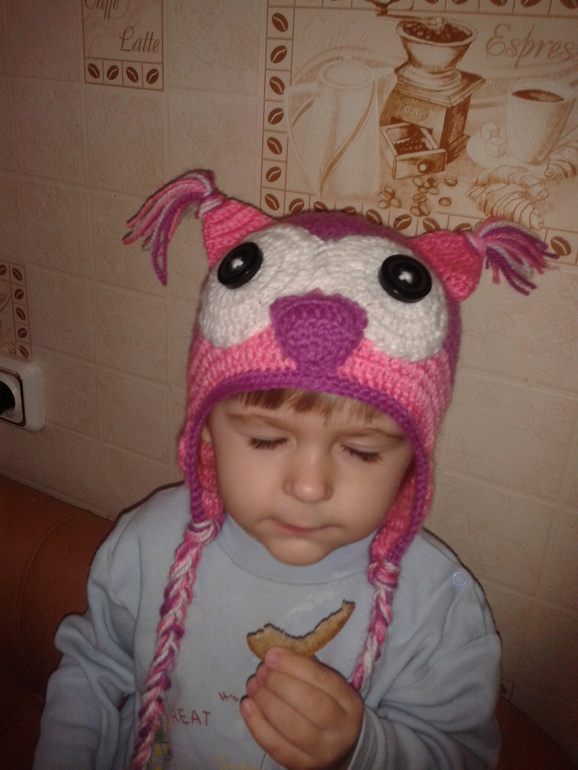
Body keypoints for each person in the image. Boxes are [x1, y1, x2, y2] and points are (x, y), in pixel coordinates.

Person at [33, 170, 555, 770]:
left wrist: (364, 748)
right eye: (265, 439)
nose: (309, 486)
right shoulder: (148, 545)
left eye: (362, 451)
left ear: (414, 460)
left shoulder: (436, 608)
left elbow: (461, 755)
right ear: (205, 431)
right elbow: (93, 672)